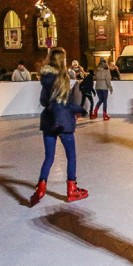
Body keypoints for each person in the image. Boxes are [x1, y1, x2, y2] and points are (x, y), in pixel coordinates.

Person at [28, 47, 89, 206]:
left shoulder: (45, 78)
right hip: (63, 122)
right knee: (71, 156)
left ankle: (40, 188)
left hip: (48, 121)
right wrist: (81, 110)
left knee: (49, 157)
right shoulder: (63, 78)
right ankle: (72, 188)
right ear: (63, 60)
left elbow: (43, 101)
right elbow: (66, 105)